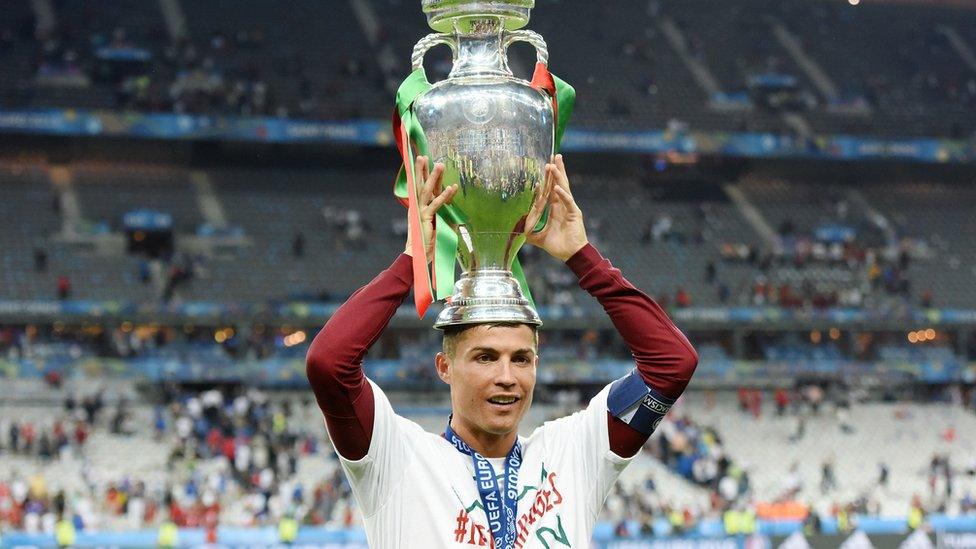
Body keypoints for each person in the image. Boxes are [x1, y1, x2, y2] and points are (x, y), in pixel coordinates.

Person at [306, 155, 698, 547]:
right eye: (485, 357)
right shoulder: (395, 457)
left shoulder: (574, 453)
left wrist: (582, 257)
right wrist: (411, 263)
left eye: (521, 359)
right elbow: (329, 363)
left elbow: (672, 365)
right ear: (445, 366)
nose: (507, 377)